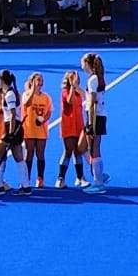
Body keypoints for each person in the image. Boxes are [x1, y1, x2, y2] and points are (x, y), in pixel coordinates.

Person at [0, 70, 27, 193]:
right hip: (16, 127)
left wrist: (10, 133)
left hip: (11, 127)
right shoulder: (11, 92)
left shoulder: (10, 94)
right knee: (18, 157)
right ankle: (25, 186)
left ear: (2, 80)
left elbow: (12, 114)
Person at [81, 53, 109, 192]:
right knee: (82, 147)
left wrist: (90, 123)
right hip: (96, 116)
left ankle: (98, 183)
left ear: (87, 63)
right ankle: (99, 174)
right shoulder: (96, 78)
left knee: (94, 149)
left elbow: (92, 102)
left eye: (83, 62)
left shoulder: (93, 79)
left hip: (95, 117)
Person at [21, 73, 52, 190]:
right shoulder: (26, 94)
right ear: (32, 81)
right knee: (28, 155)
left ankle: (40, 178)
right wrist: (32, 90)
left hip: (41, 131)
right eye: (38, 80)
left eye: (41, 80)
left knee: (40, 154)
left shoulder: (46, 97)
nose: (40, 82)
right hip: (29, 130)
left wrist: (44, 119)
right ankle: (26, 179)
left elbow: (49, 111)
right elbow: (26, 103)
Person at [56, 70, 86, 188]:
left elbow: (85, 96)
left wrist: (77, 87)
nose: (77, 81)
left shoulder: (78, 92)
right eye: (74, 79)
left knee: (78, 150)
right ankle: (60, 178)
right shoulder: (65, 92)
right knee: (68, 151)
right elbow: (69, 100)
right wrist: (73, 87)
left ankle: (80, 177)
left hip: (78, 124)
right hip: (68, 125)